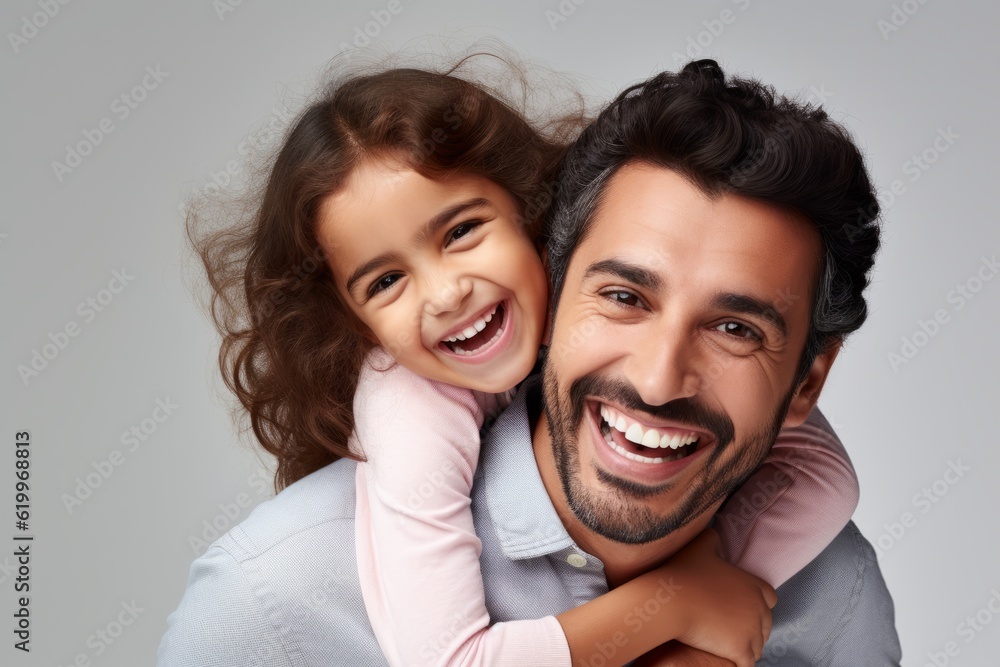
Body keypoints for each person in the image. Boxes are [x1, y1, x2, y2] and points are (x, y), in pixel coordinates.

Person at [159, 58, 900, 666]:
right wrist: (671, 603)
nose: (656, 377)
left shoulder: (837, 597)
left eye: (735, 326)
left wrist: (730, 588)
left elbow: (826, 476)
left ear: (808, 381)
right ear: (559, 270)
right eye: (623, 295)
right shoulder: (266, 602)